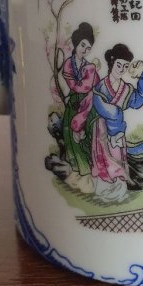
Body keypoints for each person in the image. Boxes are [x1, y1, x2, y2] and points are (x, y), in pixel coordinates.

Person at [89, 44, 143, 203]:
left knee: (118, 155)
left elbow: (137, 101)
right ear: (112, 62)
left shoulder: (125, 88)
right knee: (105, 158)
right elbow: (100, 106)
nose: (121, 69)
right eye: (119, 65)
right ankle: (104, 188)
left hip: (118, 132)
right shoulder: (101, 86)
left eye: (125, 66)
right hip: (103, 130)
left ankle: (120, 185)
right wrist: (116, 119)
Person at [61, 23, 99, 193]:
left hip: (86, 105)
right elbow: (75, 85)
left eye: (88, 48)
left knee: (83, 140)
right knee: (69, 137)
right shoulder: (69, 64)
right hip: (73, 104)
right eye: (83, 45)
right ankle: (76, 171)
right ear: (76, 43)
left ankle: (86, 175)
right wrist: (87, 78)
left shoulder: (88, 66)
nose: (85, 50)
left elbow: (91, 85)